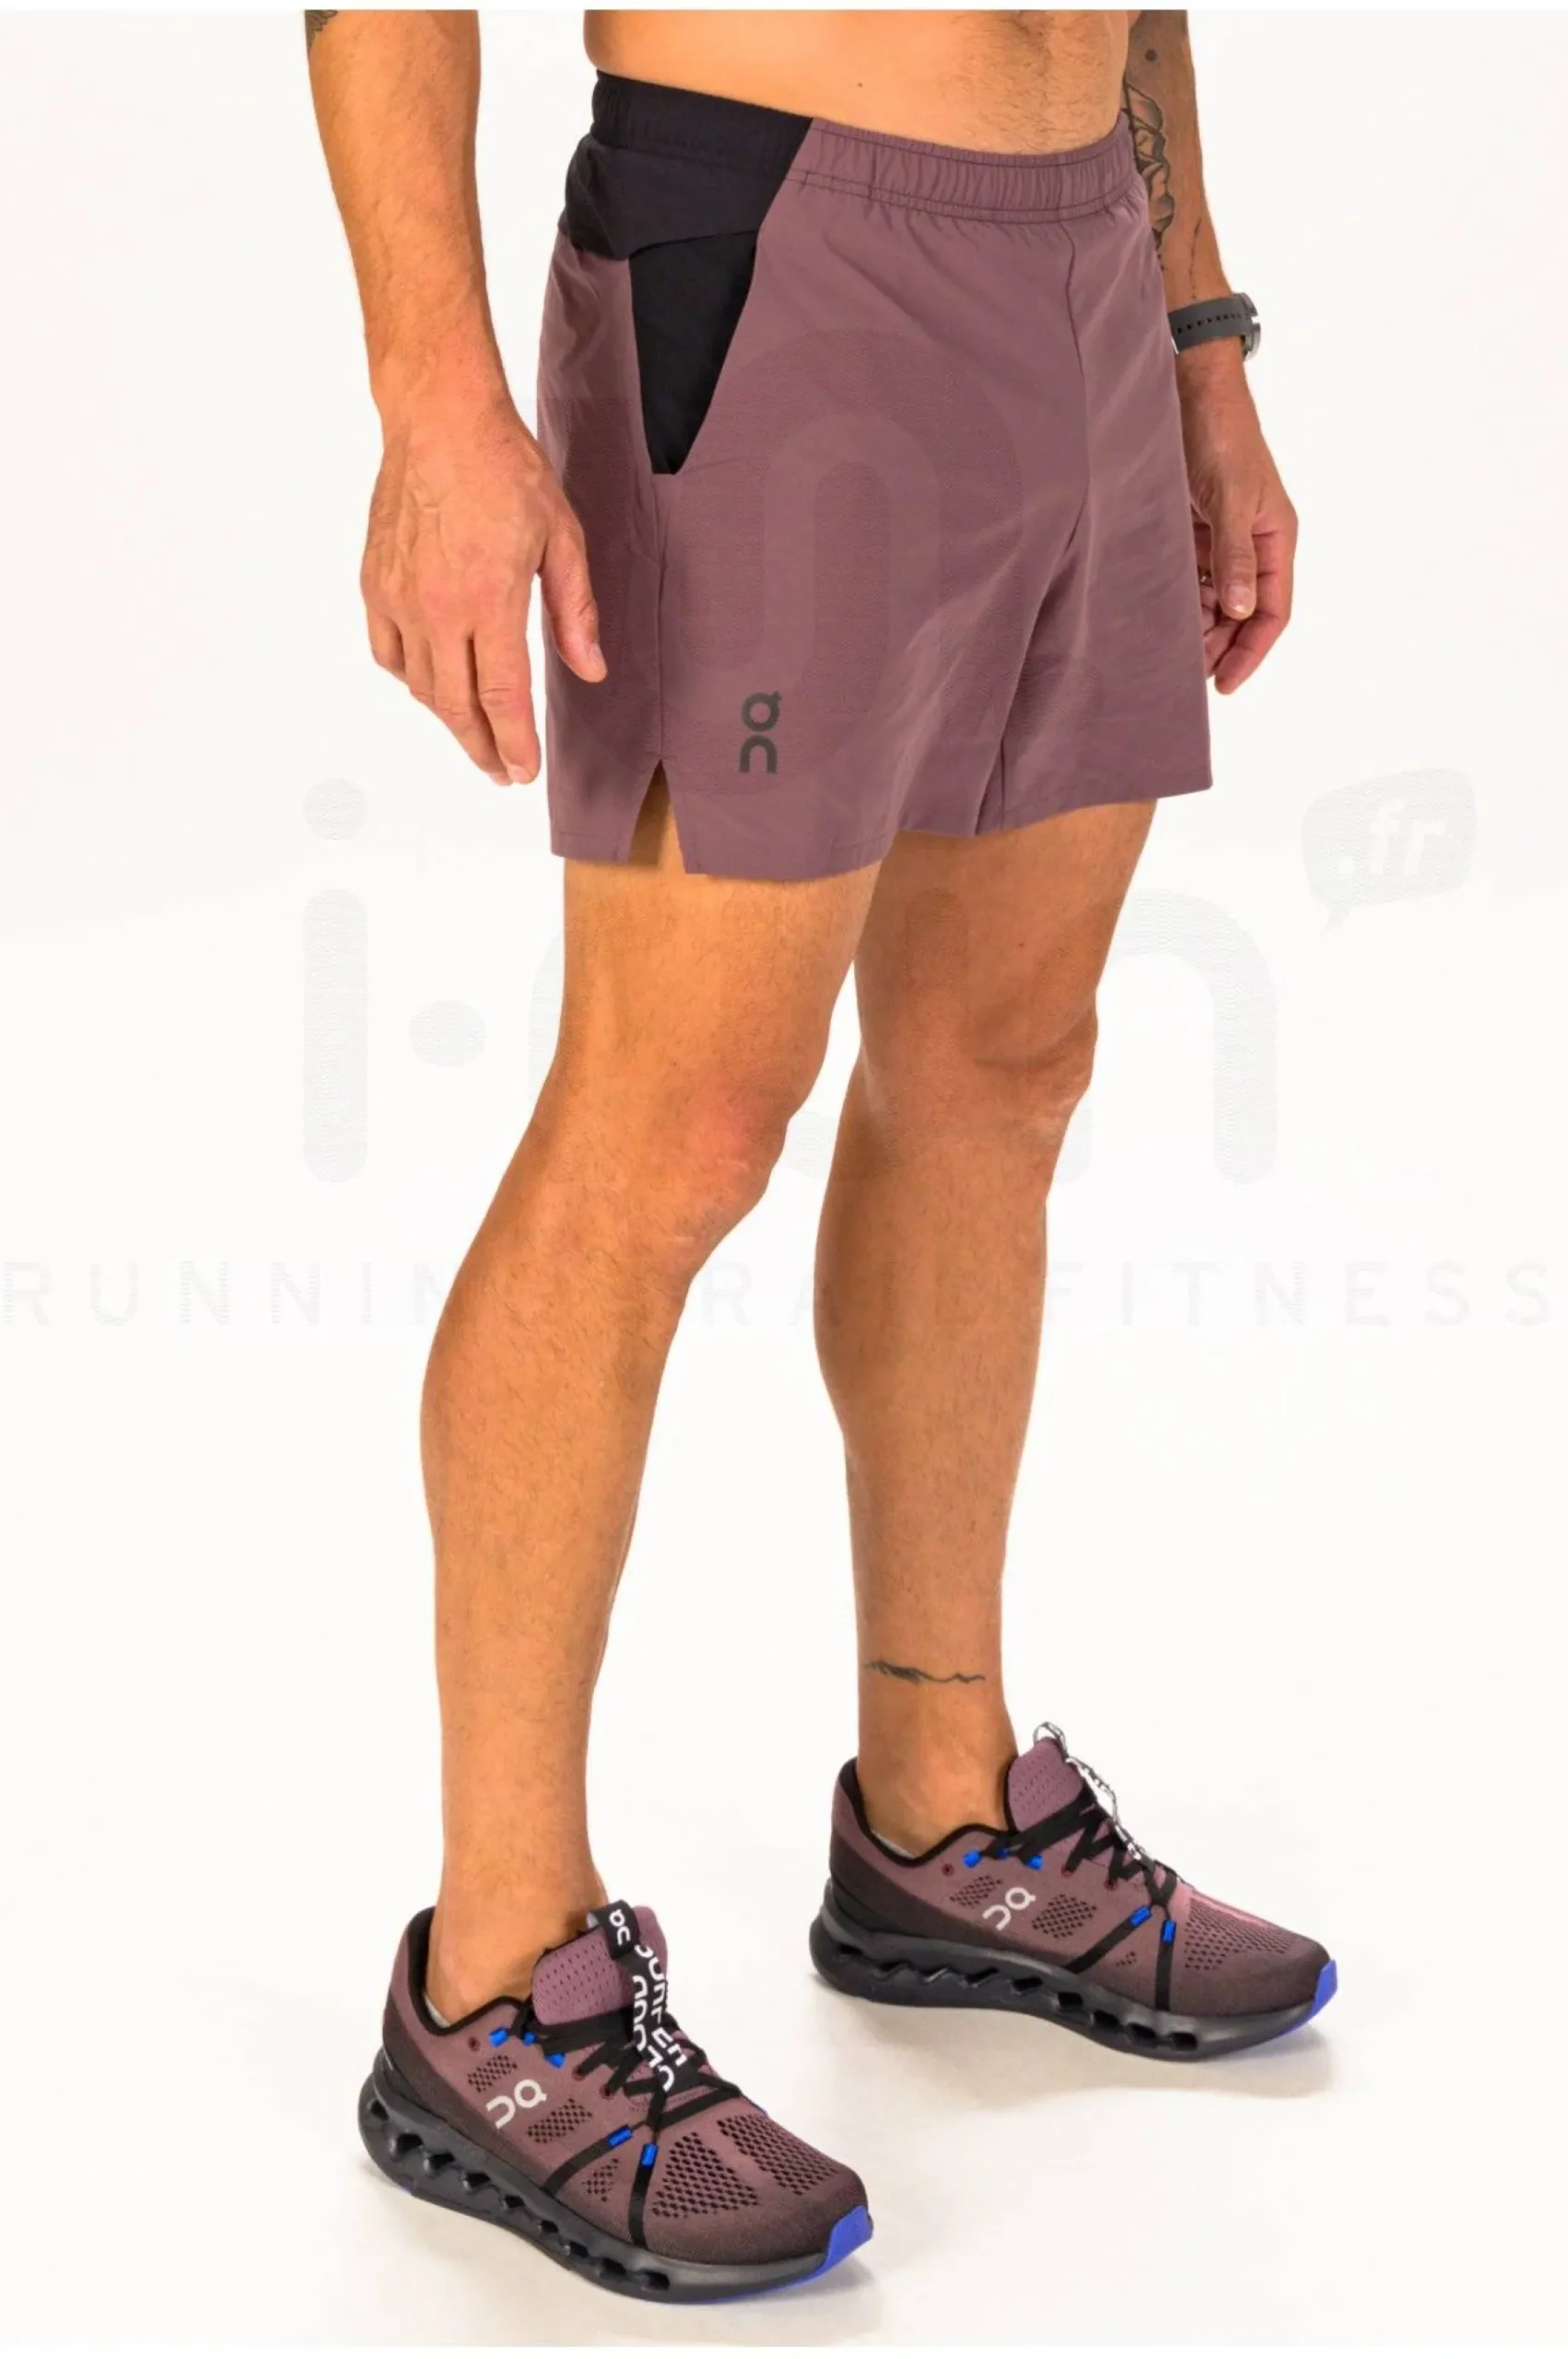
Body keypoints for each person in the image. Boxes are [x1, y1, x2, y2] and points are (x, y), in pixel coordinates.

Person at [309, 8, 1331, 2302]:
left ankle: (941, 1819)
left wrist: (1192, 326)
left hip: (1082, 255)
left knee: (1002, 1062)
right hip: (776, 237)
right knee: (668, 1130)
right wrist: (433, 400)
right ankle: (495, 1983)